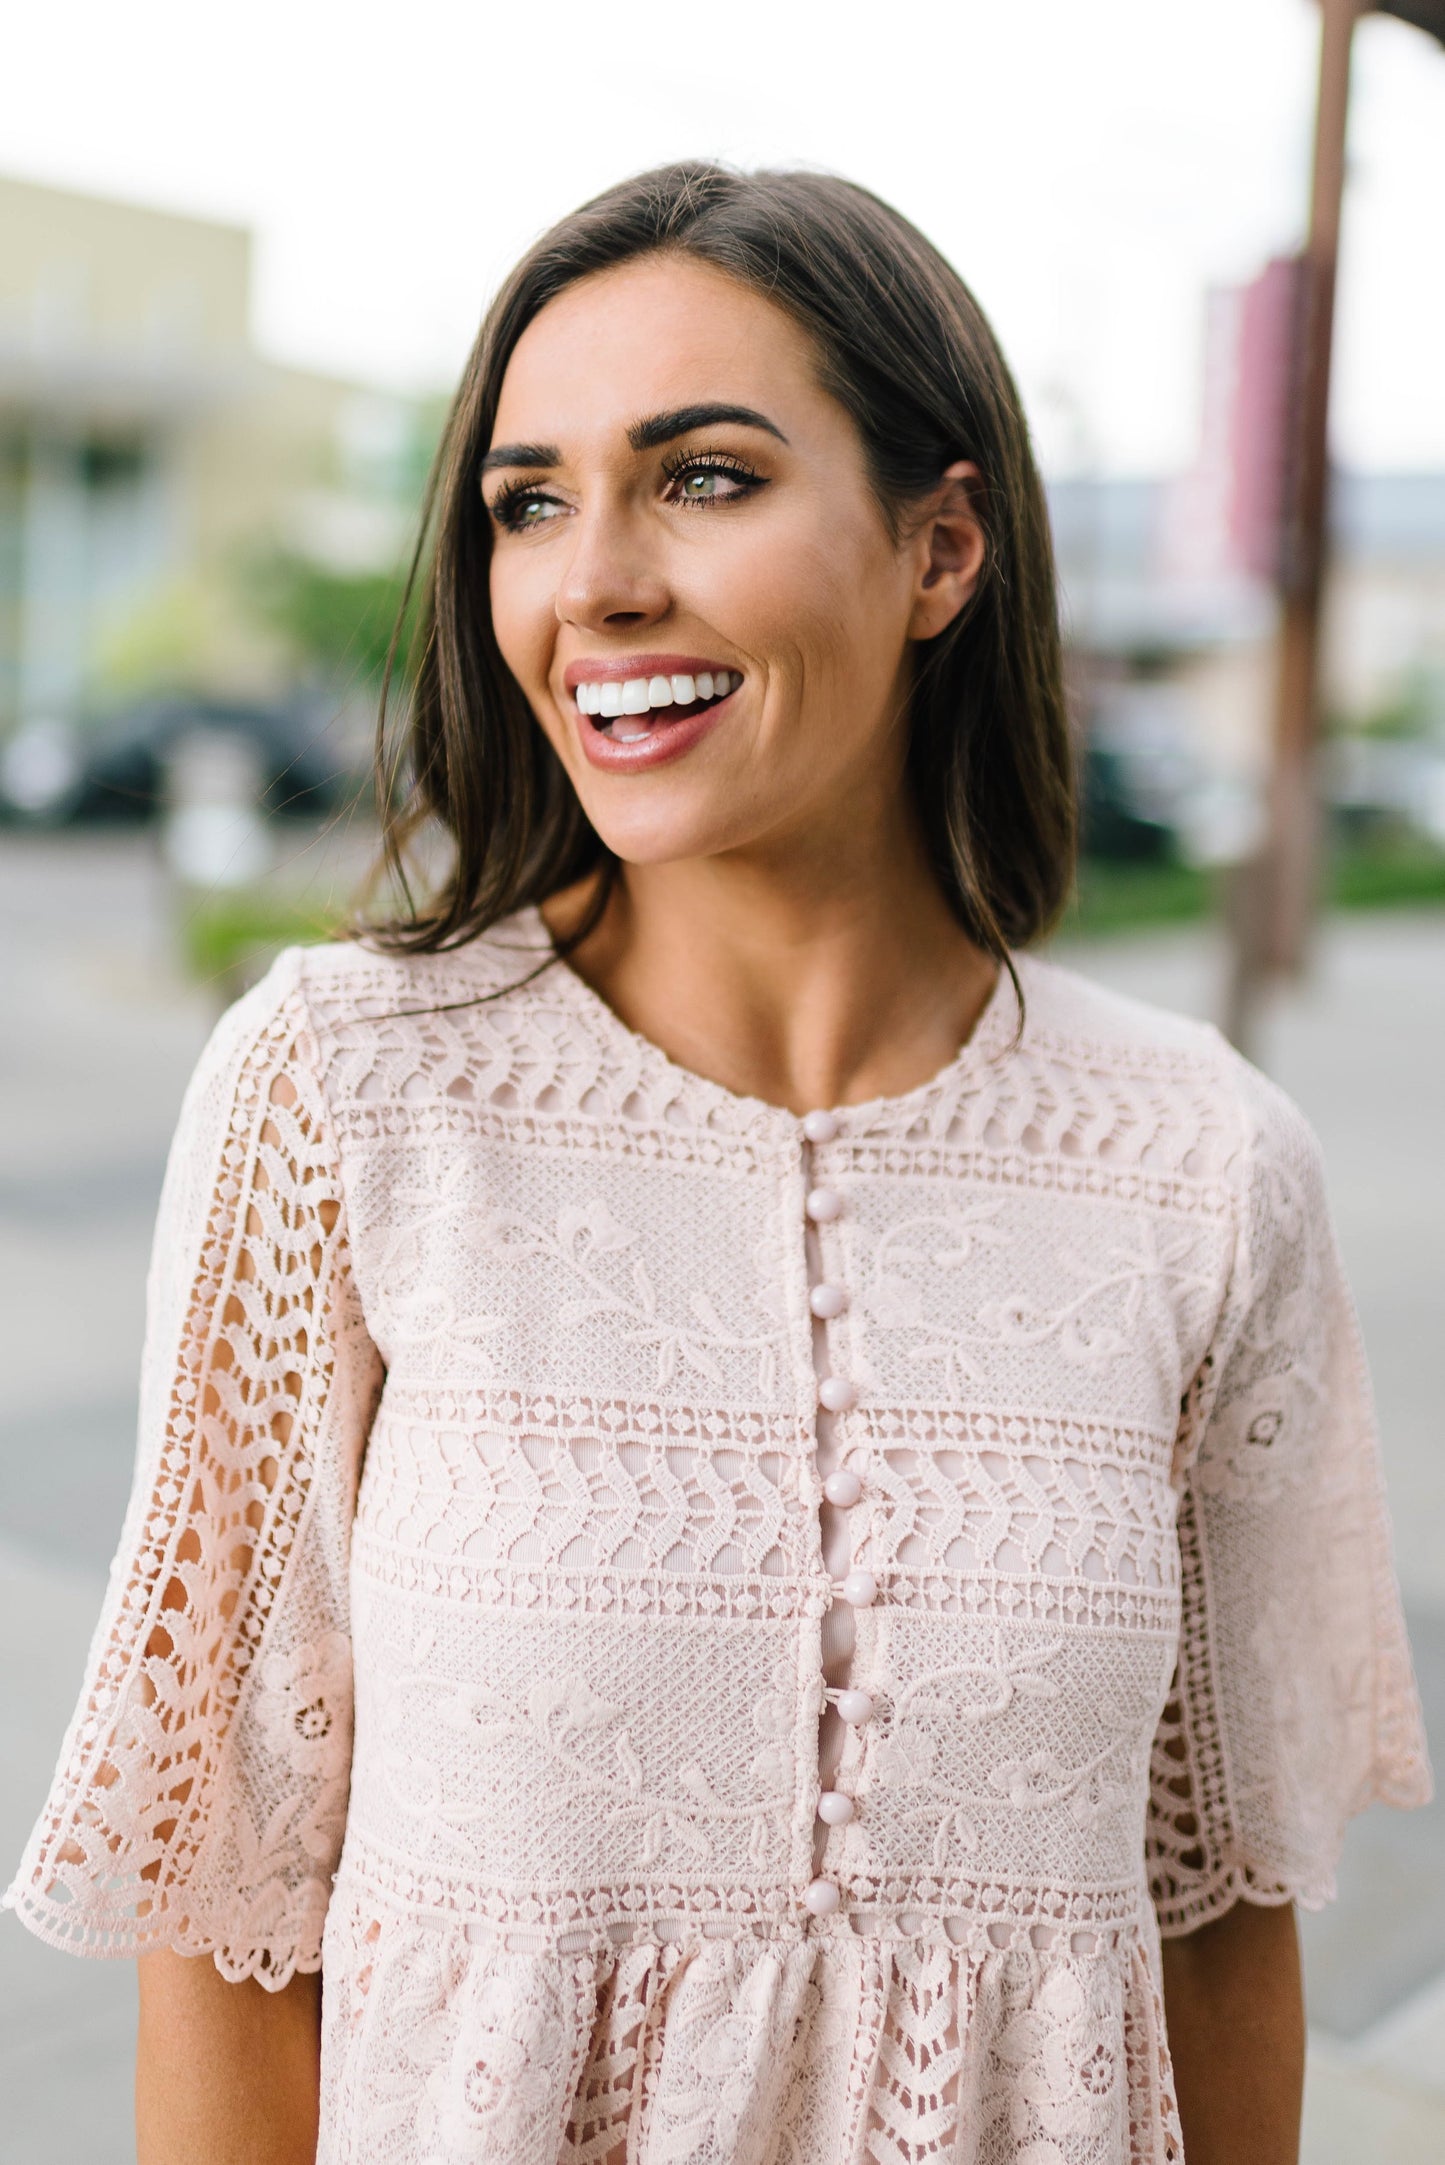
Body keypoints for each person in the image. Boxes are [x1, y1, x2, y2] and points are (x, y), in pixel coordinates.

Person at [6, 162, 1431, 2165]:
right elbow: (227, 1922)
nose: (593, 578)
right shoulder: (342, 1095)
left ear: (943, 550)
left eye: (705, 477)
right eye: (527, 500)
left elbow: (1221, 1930)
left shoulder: (1204, 1165)